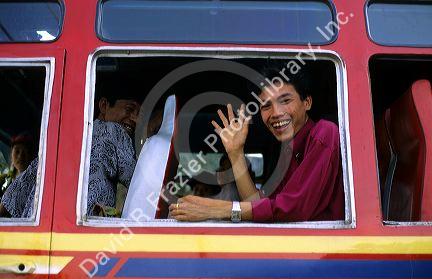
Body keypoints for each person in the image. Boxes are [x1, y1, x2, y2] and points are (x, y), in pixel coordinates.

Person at [170, 66, 345, 222]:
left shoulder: (324, 133)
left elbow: (293, 210)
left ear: (307, 102)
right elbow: (258, 206)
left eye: (285, 101)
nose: (276, 113)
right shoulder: (287, 153)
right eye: (266, 106)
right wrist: (235, 153)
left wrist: (217, 209)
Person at [0, 86, 141, 218]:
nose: (135, 119)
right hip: (82, 235)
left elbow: (9, 202)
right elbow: (140, 182)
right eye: (129, 110)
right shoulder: (115, 131)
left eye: (139, 114)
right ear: (104, 105)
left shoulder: (62, 138)